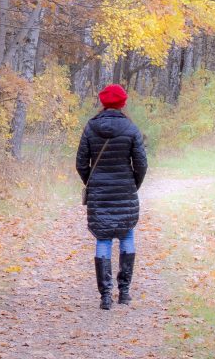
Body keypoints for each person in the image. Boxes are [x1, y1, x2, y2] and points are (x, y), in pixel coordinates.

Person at [76, 83, 148, 310]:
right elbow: (141, 164)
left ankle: (105, 296)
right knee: (127, 237)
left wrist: (92, 180)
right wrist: (133, 183)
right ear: (123, 103)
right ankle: (124, 293)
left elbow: (81, 163)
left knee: (103, 239)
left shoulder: (90, 127)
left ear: (103, 102)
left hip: (99, 193)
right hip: (125, 190)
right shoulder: (131, 128)